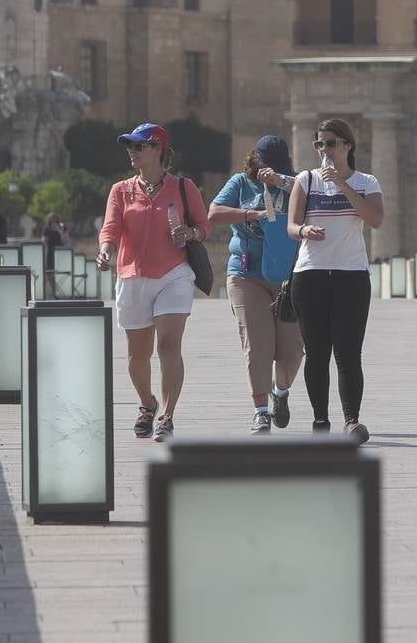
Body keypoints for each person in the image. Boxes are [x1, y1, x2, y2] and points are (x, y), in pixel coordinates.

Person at [96, 123, 211, 443]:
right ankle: (147, 403)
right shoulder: (120, 190)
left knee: (169, 345)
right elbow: (110, 229)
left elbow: (204, 227)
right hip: (132, 276)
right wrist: (105, 251)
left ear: (158, 149)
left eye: (139, 146)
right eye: (130, 146)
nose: (132, 151)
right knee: (137, 354)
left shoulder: (185, 188)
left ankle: (167, 416)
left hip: (174, 274)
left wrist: (191, 234)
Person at [286, 118, 383, 444]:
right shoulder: (306, 180)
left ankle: (352, 420)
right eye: (319, 144)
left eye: (329, 143)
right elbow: (292, 225)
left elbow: (375, 219)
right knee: (316, 352)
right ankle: (320, 420)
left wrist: (342, 184)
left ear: (347, 145)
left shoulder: (366, 181)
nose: (323, 150)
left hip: (351, 275)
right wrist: (304, 231)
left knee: (348, 352)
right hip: (310, 274)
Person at [209, 135, 304, 434]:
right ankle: (260, 410)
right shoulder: (240, 183)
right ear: (255, 160)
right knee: (258, 345)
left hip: (289, 277)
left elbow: (316, 200)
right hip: (246, 274)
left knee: (291, 351)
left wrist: (282, 181)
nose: (268, 170)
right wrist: (252, 214)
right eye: (265, 165)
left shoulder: (297, 183)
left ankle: (281, 392)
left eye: (276, 166)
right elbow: (214, 213)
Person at [42, 213, 68, 298]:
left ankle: (62, 291)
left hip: (60, 253)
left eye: (55, 221)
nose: (53, 223)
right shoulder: (47, 230)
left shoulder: (62, 228)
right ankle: (54, 291)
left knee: (60, 272)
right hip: (50, 253)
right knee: (50, 273)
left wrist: (59, 230)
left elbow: (65, 239)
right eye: (51, 222)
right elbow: (43, 240)